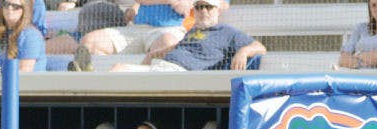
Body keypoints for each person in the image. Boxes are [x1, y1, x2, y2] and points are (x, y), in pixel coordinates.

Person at [110, 0, 266, 72]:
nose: (203, 11)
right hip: (162, 68)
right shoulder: (192, 31)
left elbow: (260, 47)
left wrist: (243, 52)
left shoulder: (226, 31)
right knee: (118, 68)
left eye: (208, 7)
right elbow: (174, 48)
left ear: (217, 10)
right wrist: (154, 54)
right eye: (198, 7)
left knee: (119, 69)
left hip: (179, 73)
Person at [68, 0, 192, 71]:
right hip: (136, 28)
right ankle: (98, 83)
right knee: (90, 42)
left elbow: (191, 5)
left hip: (168, 30)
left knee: (168, 46)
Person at [0, 0, 47, 71]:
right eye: (6, 4)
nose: (9, 8)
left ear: (24, 10)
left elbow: (24, 73)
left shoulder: (31, 36)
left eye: (15, 6)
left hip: (18, 81)